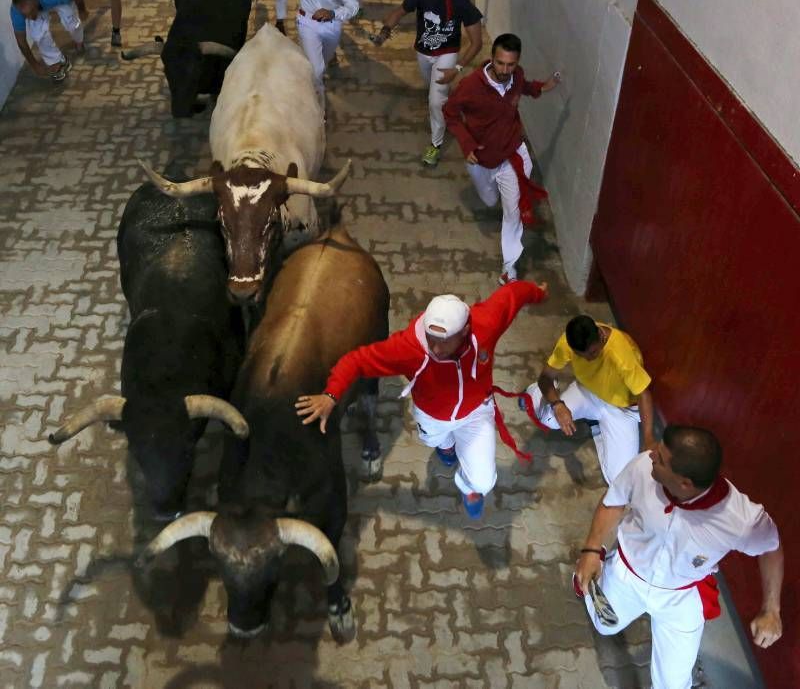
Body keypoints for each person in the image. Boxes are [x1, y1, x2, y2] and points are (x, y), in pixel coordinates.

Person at [294, 281, 548, 520]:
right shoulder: (407, 347)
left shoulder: (486, 323)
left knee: (484, 481)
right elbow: (356, 360)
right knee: (434, 440)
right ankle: (446, 446)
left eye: (443, 343)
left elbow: (512, 294)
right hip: (432, 416)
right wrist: (331, 394)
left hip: (476, 413)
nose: (435, 350)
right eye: (431, 340)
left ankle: (468, 486)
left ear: (465, 331)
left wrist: (537, 292)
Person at [574, 426, 783, 689]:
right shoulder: (642, 467)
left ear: (685, 483)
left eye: (660, 459)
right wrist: (591, 550)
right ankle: (597, 568)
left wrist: (771, 609)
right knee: (604, 626)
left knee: (672, 685)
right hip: (629, 572)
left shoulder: (740, 519)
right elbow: (613, 501)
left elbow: (771, 548)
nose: (650, 456)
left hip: (680, 596)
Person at [444, 33, 560, 285]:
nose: (505, 70)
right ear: (492, 59)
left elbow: (523, 86)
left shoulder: (516, 76)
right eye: (500, 63)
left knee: (512, 212)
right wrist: (467, 144)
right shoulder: (470, 87)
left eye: (511, 64)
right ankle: (496, 193)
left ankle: (509, 268)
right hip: (481, 159)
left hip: (511, 154)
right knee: (489, 199)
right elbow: (450, 113)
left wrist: (541, 87)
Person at [372, 0, 483, 167]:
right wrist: (384, 32)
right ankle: (447, 105)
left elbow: (477, 42)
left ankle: (435, 144)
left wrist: (458, 67)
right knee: (434, 92)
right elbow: (399, 12)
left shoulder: (462, 2)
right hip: (423, 53)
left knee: (434, 101)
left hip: (447, 54)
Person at [526, 315, 655, 485]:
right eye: (581, 355)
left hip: (622, 410)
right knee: (549, 418)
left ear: (601, 336)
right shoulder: (568, 342)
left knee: (618, 481)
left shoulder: (621, 354)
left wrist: (649, 439)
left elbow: (644, 394)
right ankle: (534, 392)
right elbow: (546, 377)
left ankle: (598, 429)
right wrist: (557, 405)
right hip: (588, 391)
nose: (588, 359)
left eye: (593, 352)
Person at [10, 0, 88, 83]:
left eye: (31, 12)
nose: (30, 17)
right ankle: (57, 61)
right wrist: (35, 65)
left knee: (70, 20)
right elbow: (21, 41)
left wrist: (82, 10)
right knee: (38, 33)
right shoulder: (17, 10)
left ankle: (79, 40)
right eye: (26, 16)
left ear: (36, 0)